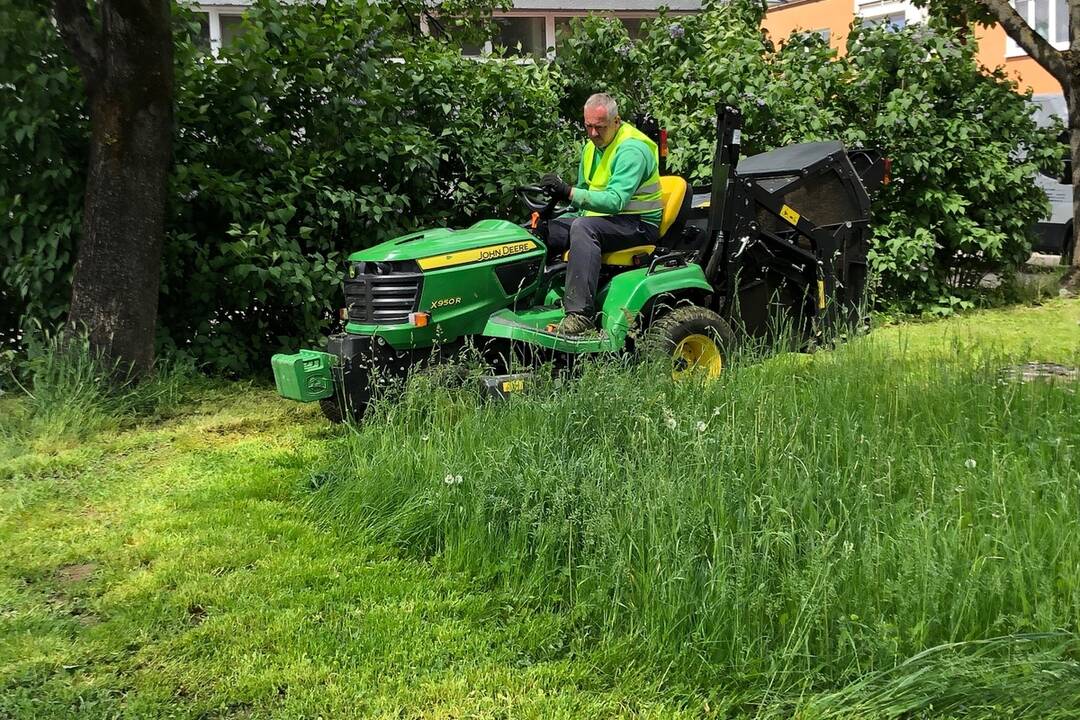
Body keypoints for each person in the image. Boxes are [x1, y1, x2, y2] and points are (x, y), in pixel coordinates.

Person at [541, 93, 663, 336]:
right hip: (603, 219)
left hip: (638, 224)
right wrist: (554, 211)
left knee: (583, 228)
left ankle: (580, 316)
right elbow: (584, 194)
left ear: (616, 121)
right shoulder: (591, 148)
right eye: (588, 126)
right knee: (543, 229)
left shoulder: (632, 150)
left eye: (600, 127)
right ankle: (527, 299)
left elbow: (616, 201)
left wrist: (567, 192)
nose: (593, 133)